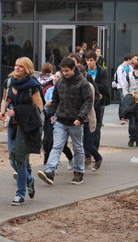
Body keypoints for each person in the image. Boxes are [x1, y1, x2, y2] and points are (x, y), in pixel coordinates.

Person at [38, 57, 93, 186]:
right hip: (61, 121)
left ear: (74, 68)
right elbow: (55, 99)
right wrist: (51, 113)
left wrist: (80, 117)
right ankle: (49, 171)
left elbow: (88, 101)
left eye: (67, 71)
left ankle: (78, 172)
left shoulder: (83, 83)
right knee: (57, 146)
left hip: (76, 122)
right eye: (62, 71)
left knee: (77, 148)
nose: (64, 73)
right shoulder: (60, 82)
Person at [0, 57, 44, 206]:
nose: (16, 68)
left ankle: (20, 194)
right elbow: (5, 99)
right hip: (12, 126)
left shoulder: (33, 86)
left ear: (27, 69)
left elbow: (39, 108)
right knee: (13, 161)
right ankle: (29, 180)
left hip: (25, 127)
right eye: (16, 65)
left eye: (20, 66)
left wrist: (17, 111)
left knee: (20, 160)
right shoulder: (9, 82)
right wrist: (2, 111)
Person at [85, 50, 109, 150]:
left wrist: (95, 90)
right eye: (87, 60)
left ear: (95, 60)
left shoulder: (101, 71)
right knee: (86, 127)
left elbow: (105, 86)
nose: (89, 62)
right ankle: (87, 151)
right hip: (86, 102)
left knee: (97, 128)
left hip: (99, 102)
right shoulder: (84, 70)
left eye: (91, 60)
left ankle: (95, 150)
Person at [122, 60, 138, 147]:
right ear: (137, 69)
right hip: (132, 102)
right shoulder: (130, 76)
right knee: (133, 122)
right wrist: (127, 97)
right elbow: (125, 87)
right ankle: (132, 137)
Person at [116, 53, 134, 124]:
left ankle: (126, 116)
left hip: (129, 88)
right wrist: (124, 87)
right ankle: (122, 117)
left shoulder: (130, 67)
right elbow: (120, 79)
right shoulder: (120, 68)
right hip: (121, 88)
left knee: (128, 102)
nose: (132, 62)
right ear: (128, 60)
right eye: (131, 60)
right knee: (122, 101)